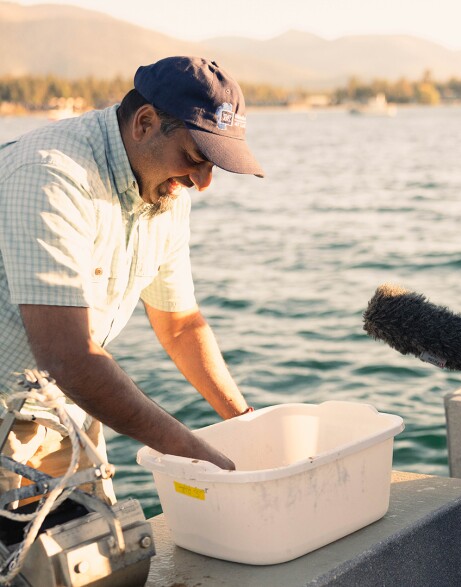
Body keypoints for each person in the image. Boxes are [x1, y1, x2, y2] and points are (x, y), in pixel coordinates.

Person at [0, 56, 264, 503]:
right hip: (13, 403)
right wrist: (192, 453)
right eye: (197, 157)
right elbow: (69, 357)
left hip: (65, 410)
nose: (204, 182)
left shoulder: (166, 185)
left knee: (100, 562)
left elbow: (180, 325)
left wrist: (244, 424)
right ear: (144, 123)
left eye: (215, 164)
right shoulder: (51, 175)